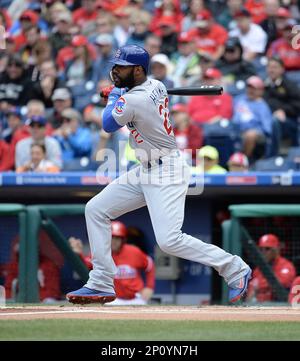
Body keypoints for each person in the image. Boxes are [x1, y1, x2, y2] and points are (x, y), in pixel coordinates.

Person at [66, 44, 251, 305]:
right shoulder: (156, 85)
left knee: (169, 241)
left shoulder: (137, 98)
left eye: (122, 67)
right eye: (115, 66)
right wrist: (120, 93)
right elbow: (127, 100)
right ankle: (101, 281)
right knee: (95, 209)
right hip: (145, 169)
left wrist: (114, 97)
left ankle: (234, 267)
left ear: (139, 70)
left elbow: (107, 123)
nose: (115, 71)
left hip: (167, 171)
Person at [232, 76, 273, 160]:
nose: (251, 90)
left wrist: (254, 132)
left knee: (250, 135)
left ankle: (244, 160)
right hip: (236, 130)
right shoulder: (239, 99)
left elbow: (267, 129)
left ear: (261, 91)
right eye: (249, 87)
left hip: (254, 134)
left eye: (254, 88)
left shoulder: (262, 106)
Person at [247, 234, 296, 303]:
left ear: (276, 249)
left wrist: (259, 285)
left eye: (267, 249)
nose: (263, 252)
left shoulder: (286, 265)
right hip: (259, 307)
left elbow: (283, 283)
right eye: (261, 249)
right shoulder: (258, 270)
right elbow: (250, 291)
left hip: (279, 306)